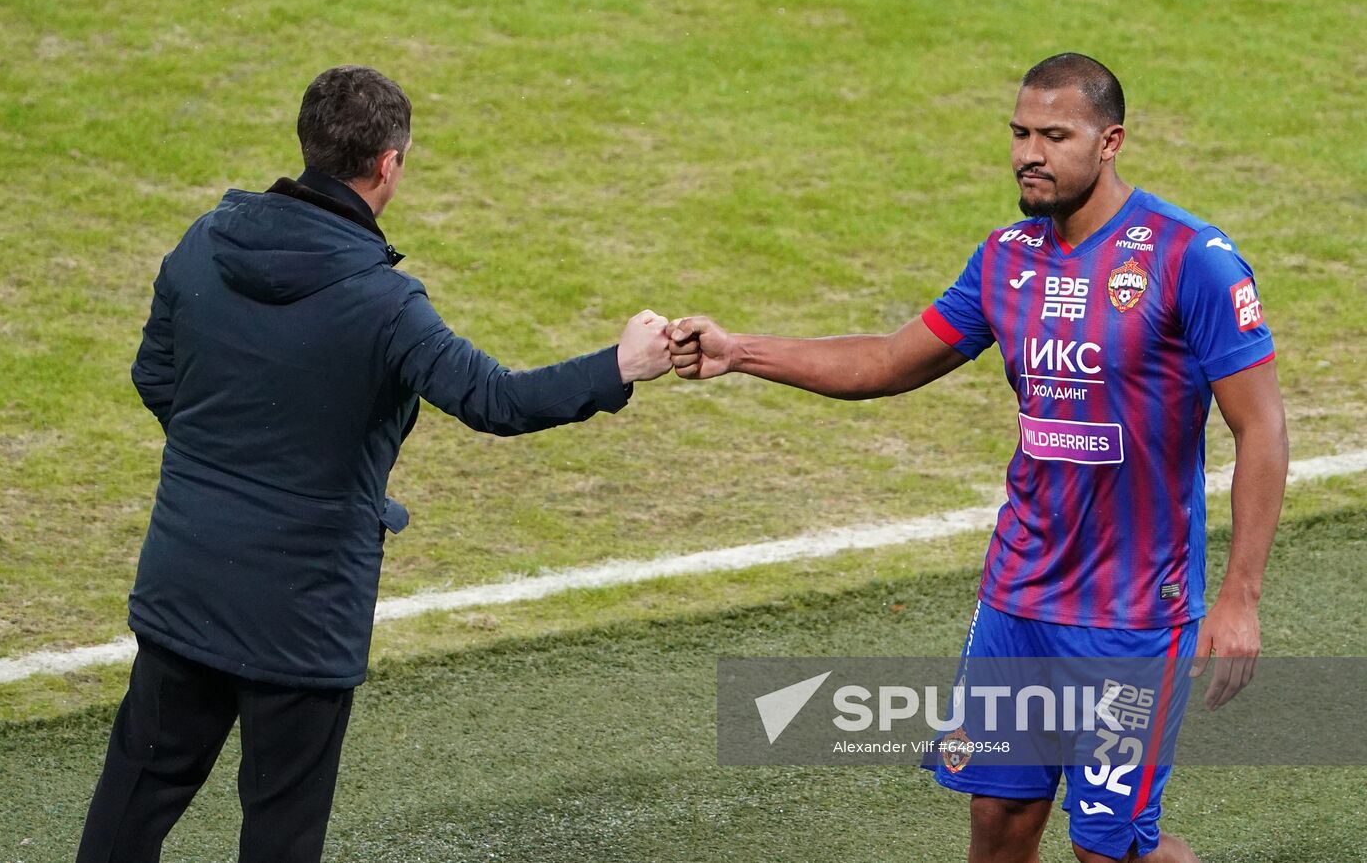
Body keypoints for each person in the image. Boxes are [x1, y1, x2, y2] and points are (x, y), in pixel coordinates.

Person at [667, 53, 1288, 862]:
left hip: (1134, 613)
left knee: (1107, 849)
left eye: (1055, 135)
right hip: (1019, 597)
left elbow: (1262, 428)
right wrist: (738, 352)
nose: (1031, 152)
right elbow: (887, 363)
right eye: (1021, 133)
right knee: (998, 826)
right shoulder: (1006, 258)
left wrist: (1240, 597)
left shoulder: (1188, 259)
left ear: (1111, 142)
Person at [76, 65, 674, 863]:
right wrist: (621, 364)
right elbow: (496, 399)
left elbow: (154, 377)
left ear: (308, 144)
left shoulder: (201, 243)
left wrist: (227, 460)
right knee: (280, 832)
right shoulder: (386, 305)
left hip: (184, 583)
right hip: (302, 613)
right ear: (388, 164)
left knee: (129, 814)